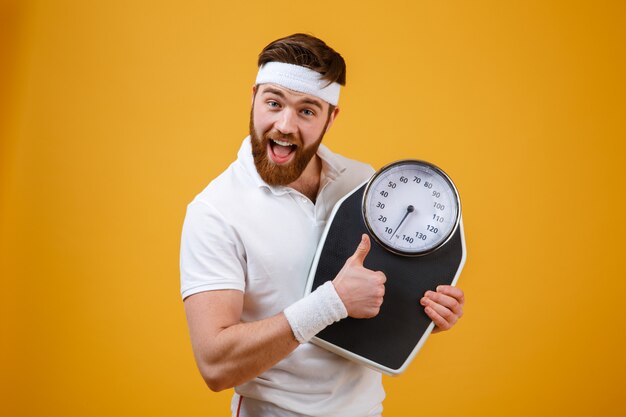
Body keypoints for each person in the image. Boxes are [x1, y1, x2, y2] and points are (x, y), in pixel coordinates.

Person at [180, 33, 465, 417]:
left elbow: (372, 302)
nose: (284, 125)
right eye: (273, 103)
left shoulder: (365, 185)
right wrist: (331, 302)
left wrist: (423, 313)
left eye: (307, 111)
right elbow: (215, 365)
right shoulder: (214, 211)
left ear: (331, 117)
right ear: (253, 99)